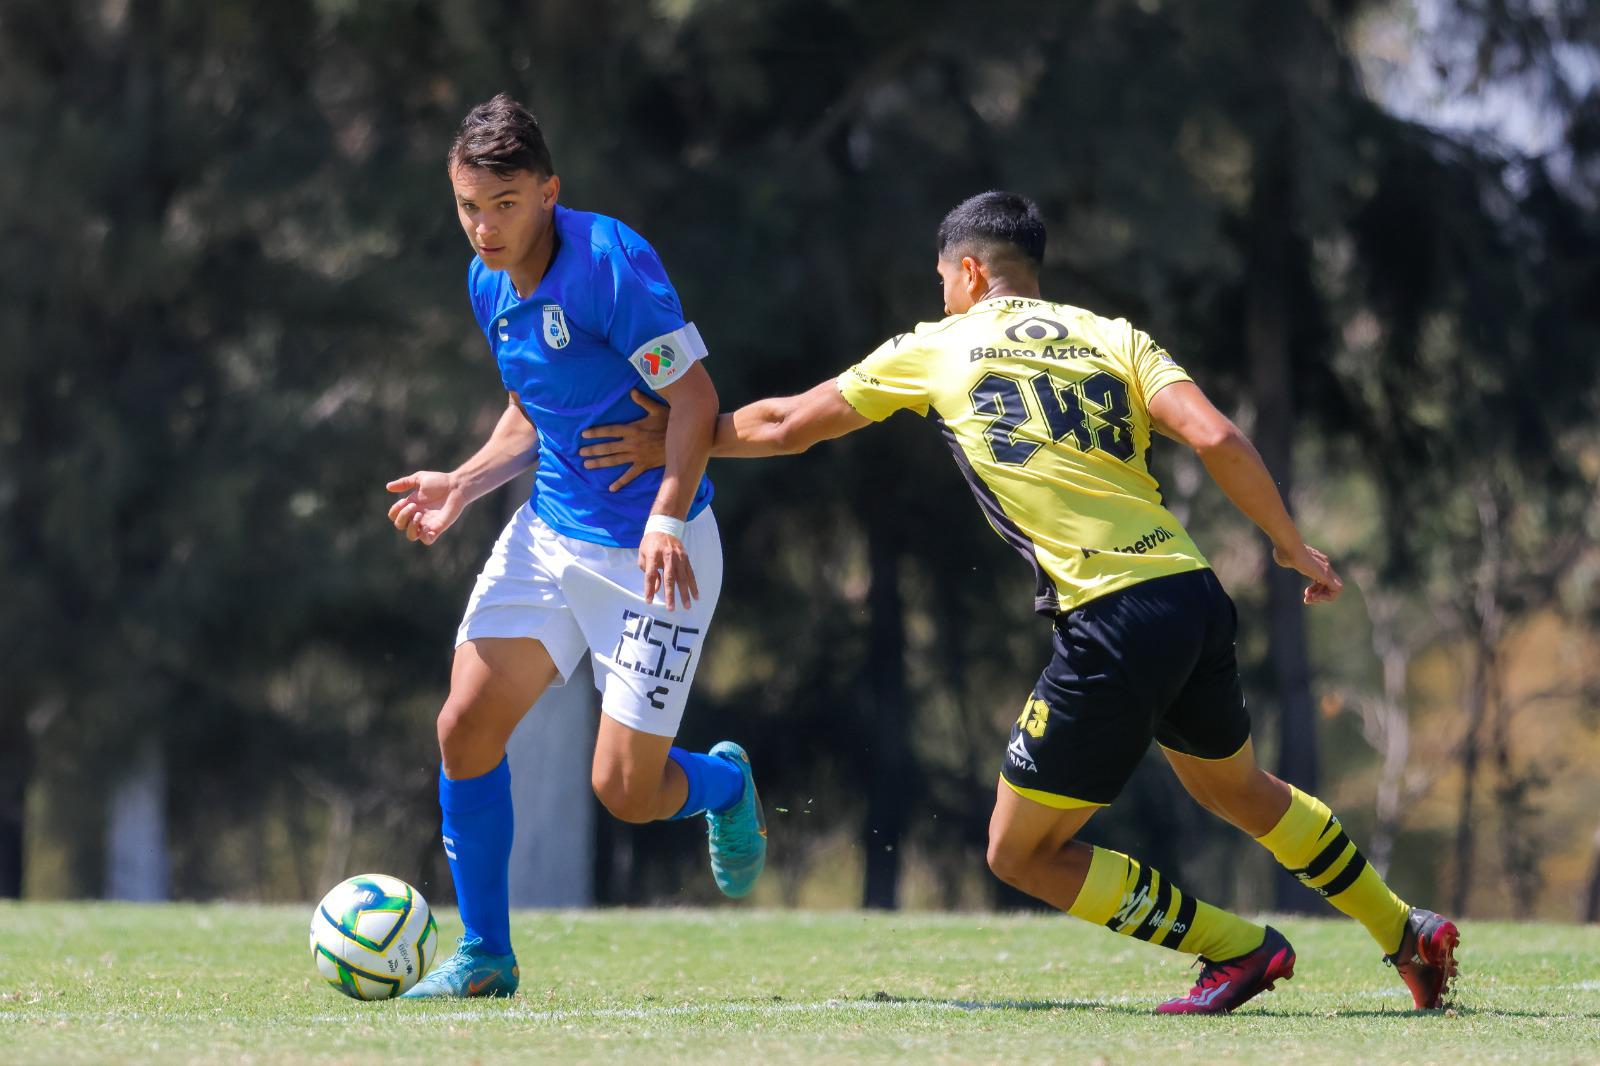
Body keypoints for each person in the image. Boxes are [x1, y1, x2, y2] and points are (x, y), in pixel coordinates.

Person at [581, 191, 1459, 1014]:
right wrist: (1286, 542)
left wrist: (678, 440)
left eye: (942, 282)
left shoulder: (938, 345)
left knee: (1018, 853)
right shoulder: (1115, 336)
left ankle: (1238, 949)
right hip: (1190, 594)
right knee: (1241, 790)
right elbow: (1219, 435)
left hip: (1110, 618)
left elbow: (783, 425)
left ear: (967, 274)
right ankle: (1402, 929)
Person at [384, 95, 766, 999]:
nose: (485, 227)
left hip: (654, 556)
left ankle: (721, 784)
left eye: (505, 204)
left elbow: (697, 401)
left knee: (626, 792)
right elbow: (534, 409)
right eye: (469, 206)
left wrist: (668, 514)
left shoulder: (609, 264)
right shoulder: (487, 282)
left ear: (549, 193)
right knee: (463, 728)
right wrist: (463, 484)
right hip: (550, 534)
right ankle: (486, 958)